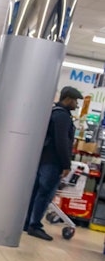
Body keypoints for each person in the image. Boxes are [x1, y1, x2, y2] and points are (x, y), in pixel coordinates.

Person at [24, 86, 81, 240]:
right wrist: (66, 164)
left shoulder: (54, 112)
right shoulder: (62, 116)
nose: (76, 104)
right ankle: (34, 225)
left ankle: (27, 222)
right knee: (45, 194)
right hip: (53, 161)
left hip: (44, 159)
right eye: (75, 101)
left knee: (37, 192)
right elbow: (61, 141)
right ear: (68, 99)